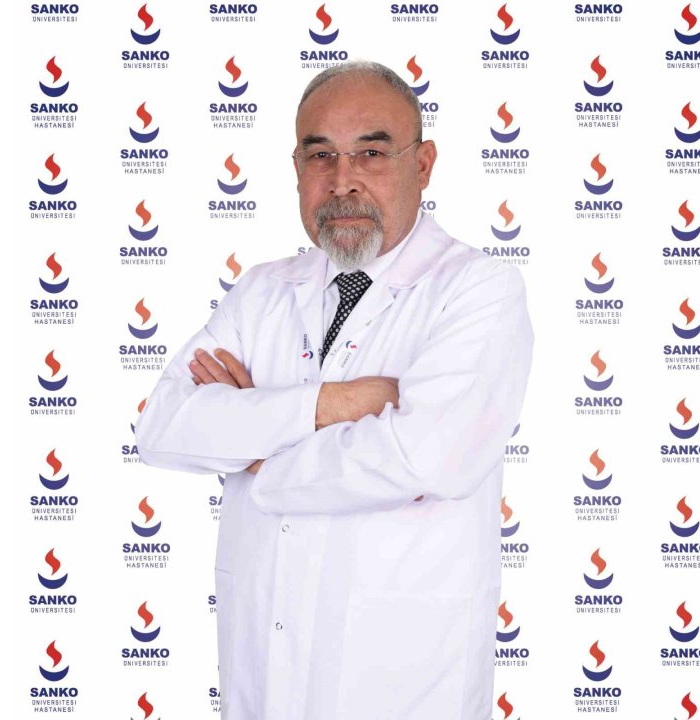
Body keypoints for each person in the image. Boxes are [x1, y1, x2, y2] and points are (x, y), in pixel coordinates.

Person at [134, 60, 534, 720]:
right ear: (296, 168)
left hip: (402, 682)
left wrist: (256, 453)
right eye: (320, 155)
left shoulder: (478, 289)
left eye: (371, 153)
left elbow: (424, 458)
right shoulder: (263, 290)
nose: (342, 180)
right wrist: (335, 405)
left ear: (423, 164)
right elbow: (163, 428)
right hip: (263, 676)